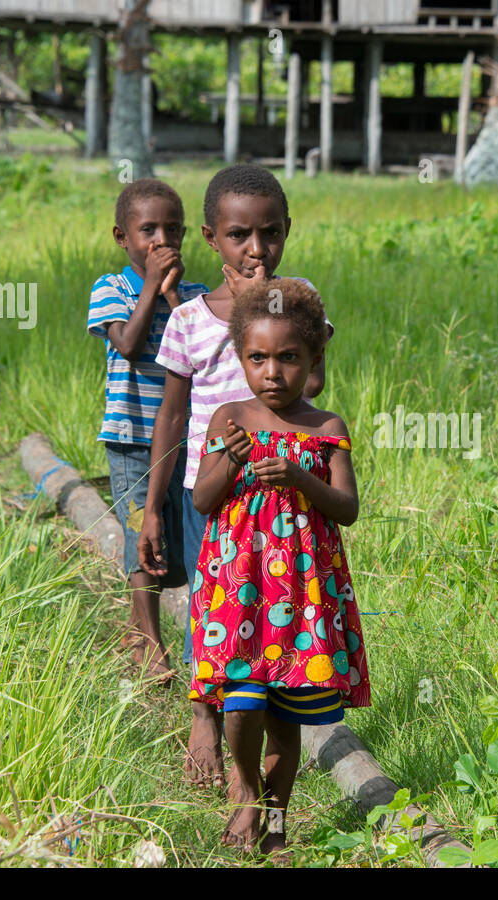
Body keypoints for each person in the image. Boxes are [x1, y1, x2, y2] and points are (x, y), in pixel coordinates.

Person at [139, 165, 334, 788]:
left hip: (283, 493)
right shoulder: (190, 319)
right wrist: (150, 506)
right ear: (211, 238)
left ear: (286, 232)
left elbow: (318, 385)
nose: (257, 250)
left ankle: (269, 707)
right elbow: (171, 415)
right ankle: (205, 710)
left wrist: (269, 314)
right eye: (239, 236)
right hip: (213, 487)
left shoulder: (299, 299)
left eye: (270, 234)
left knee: (270, 605)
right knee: (208, 597)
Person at [190, 277, 368, 857]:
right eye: (257, 358)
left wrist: (299, 477)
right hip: (240, 587)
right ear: (239, 357)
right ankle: (245, 790)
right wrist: (229, 464)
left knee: (286, 717)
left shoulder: (326, 429)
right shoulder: (229, 420)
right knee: (242, 701)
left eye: (288, 358)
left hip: (303, 590)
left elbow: (347, 509)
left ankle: (277, 811)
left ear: (314, 358)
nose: (272, 372)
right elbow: (202, 500)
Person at [87, 178, 208, 683]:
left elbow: (194, 347)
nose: (162, 240)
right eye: (148, 230)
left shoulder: (195, 297)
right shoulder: (110, 289)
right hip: (134, 436)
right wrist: (149, 293)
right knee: (143, 532)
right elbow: (131, 345)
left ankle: (142, 630)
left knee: (179, 539)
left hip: (186, 436)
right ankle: (149, 639)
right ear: (122, 236)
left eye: (173, 229)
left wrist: (173, 293)